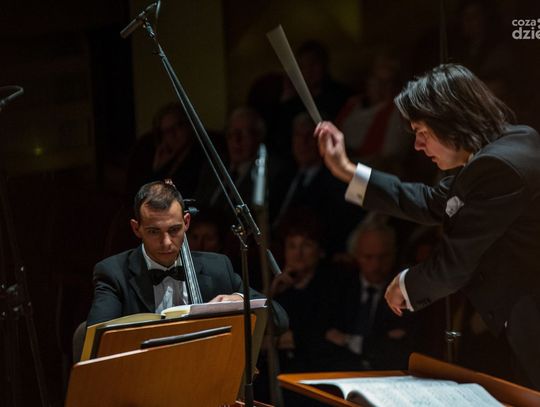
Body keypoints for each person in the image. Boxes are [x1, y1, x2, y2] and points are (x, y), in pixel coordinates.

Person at [314, 63, 540, 389]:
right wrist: (347, 170)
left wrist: (406, 284)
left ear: (451, 121)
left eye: (422, 132)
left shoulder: (496, 166)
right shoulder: (512, 143)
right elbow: (433, 201)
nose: (418, 146)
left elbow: (454, 265)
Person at [87, 180, 288, 331]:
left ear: (186, 222)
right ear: (136, 228)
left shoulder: (218, 268)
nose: (166, 242)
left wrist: (238, 300)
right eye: (154, 232)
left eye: (174, 230)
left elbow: (279, 320)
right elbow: (97, 341)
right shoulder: (114, 274)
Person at [324, 214, 415, 370]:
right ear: (356, 255)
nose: (376, 265)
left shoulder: (407, 291)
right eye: (368, 257)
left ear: (394, 254)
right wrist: (380, 341)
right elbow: (324, 340)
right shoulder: (339, 287)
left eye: (383, 257)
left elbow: (399, 350)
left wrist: (348, 340)